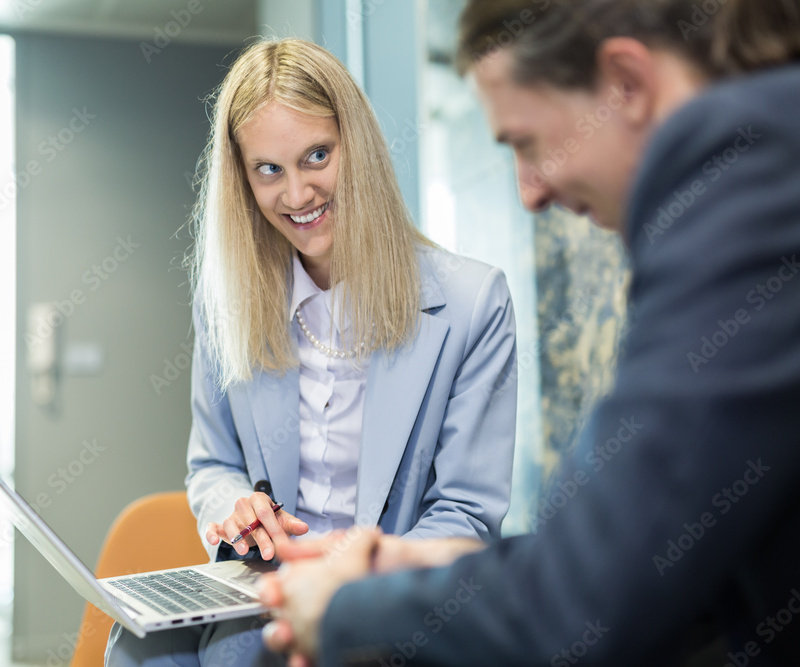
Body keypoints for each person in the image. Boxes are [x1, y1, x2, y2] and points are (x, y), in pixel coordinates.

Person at [261, 1, 800, 665]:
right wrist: (421, 566)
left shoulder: (752, 189)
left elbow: (582, 606)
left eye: (525, 143)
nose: (530, 193)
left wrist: (343, 612)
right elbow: (655, 553)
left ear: (626, 82)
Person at [104, 37, 519, 666]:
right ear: (241, 178)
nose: (296, 194)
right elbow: (212, 466)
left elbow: (464, 515)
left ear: (359, 148)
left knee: (241, 656)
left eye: (316, 156)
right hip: (262, 579)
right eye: (268, 169)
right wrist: (233, 510)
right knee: (141, 651)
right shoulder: (227, 303)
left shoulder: (472, 302)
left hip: (385, 588)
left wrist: (350, 569)